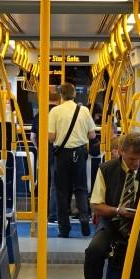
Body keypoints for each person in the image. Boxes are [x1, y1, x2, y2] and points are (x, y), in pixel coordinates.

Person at [78, 129, 140, 279]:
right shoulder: (106, 170)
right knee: (93, 251)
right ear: (121, 151)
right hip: (112, 223)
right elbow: (96, 205)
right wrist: (118, 211)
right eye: (131, 159)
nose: (136, 164)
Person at [47, 84, 92, 237]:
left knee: (61, 191)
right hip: (79, 153)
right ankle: (84, 219)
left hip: (62, 155)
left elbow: (51, 137)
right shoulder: (84, 110)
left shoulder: (55, 111)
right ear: (74, 94)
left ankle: (64, 228)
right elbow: (92, 135)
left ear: (61, 95)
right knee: (81, 188)